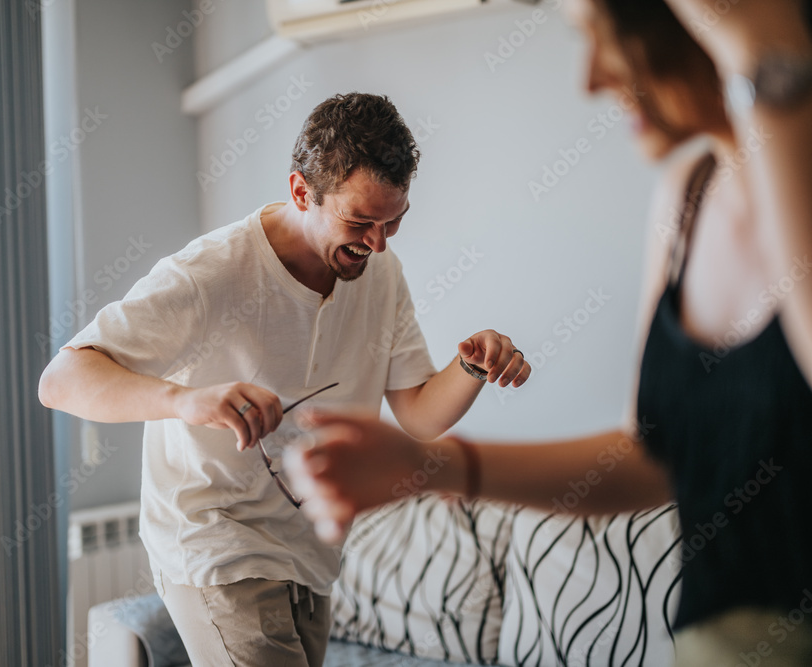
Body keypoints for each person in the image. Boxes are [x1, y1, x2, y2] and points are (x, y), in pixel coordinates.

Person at [288, 0, 812, 663]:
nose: (589, 79)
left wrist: (771, 62)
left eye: (607, 37)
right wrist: (427, 467)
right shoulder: (686, 199)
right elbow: (654, 454)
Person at [38, 92, 532, 667]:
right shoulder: (213, 273)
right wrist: (186, 400)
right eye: (361, 222)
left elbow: (419, 413)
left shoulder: (382, 273)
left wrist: (472, 367)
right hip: (215, 540)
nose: (378, 242)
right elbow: (63, 378)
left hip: (312, 552)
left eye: (394, 220)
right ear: (302, 192)